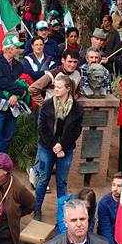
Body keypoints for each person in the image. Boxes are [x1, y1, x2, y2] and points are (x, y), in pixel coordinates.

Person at [34, 75, 83, 220]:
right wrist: (54, 145)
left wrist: (62, 146)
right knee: (43, 179)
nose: (55, 89)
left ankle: (62, 215)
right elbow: (42, 128)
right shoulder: (47, 105)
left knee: (61, 182)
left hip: (66, 149)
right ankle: (37, 209)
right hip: (47, 147)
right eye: (55, 86)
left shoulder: (77, 108)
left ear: (68, 89)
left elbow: (76, 131)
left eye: (59, 87)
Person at [0, 34, 26, 169]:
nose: (18, 49)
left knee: (6, 138)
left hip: (13, 107)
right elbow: (1, 82)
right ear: (8, 49)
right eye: (16, 47)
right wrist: (18, 91)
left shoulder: (18, 65)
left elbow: (21, 81)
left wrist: (15, 95)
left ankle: (0, 167)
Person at [96, 172, 122, 244]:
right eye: (113, 185)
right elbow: (105, 230)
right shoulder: (104, 202)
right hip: (110, 241)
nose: (114, 189)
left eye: (119, 186)